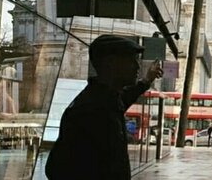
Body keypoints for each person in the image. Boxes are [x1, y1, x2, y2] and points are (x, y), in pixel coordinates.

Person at [45, 34, 163, 180]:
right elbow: (57, 169)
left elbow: (126, 97)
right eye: (131, 61)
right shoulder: (89, 111)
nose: (137, 66)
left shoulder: (107, 99)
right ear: (111, 64)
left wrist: (146, 80)